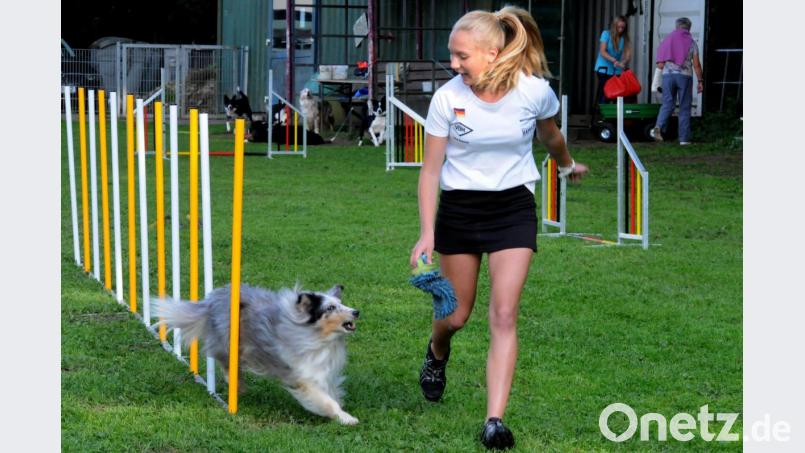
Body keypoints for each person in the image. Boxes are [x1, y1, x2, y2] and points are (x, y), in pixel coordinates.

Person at [409, 6, 588, 450]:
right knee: (456, 316)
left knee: (505, 314)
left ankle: (494, 420)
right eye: (452, 55)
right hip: (461, 210)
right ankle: (436, 353)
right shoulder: (447, 99)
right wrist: (427, 231)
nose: (453, 64)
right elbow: (430, 171)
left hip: (512, 208)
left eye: (461, 55)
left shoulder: (533, 92)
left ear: (492, 53)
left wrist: (566, 165)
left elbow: (551, 136)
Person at [650, 17, 704, 145]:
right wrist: (700, 81)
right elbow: (696, 65)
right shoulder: (691, 43)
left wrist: (656, 81)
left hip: (668, 76)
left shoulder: (667, 40)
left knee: (667, 104)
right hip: (684, 77)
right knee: (684, 107)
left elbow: (660, 64)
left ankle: (658, 127)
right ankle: (684, 139)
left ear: (676, 27)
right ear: (688, 28)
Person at [593, 15, 632, 106]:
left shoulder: (624, 38)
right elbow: (602, 51)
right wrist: (614, 61)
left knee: (618, 93)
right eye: (619, 27)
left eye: (623, 27)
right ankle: (603, 115)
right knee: (605, 92)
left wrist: (623, 62)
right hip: (604, 68)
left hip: (616, 69)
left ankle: (614, 115)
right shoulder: (606, 34)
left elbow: (628, 55)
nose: (621, 29)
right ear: (614, 26)